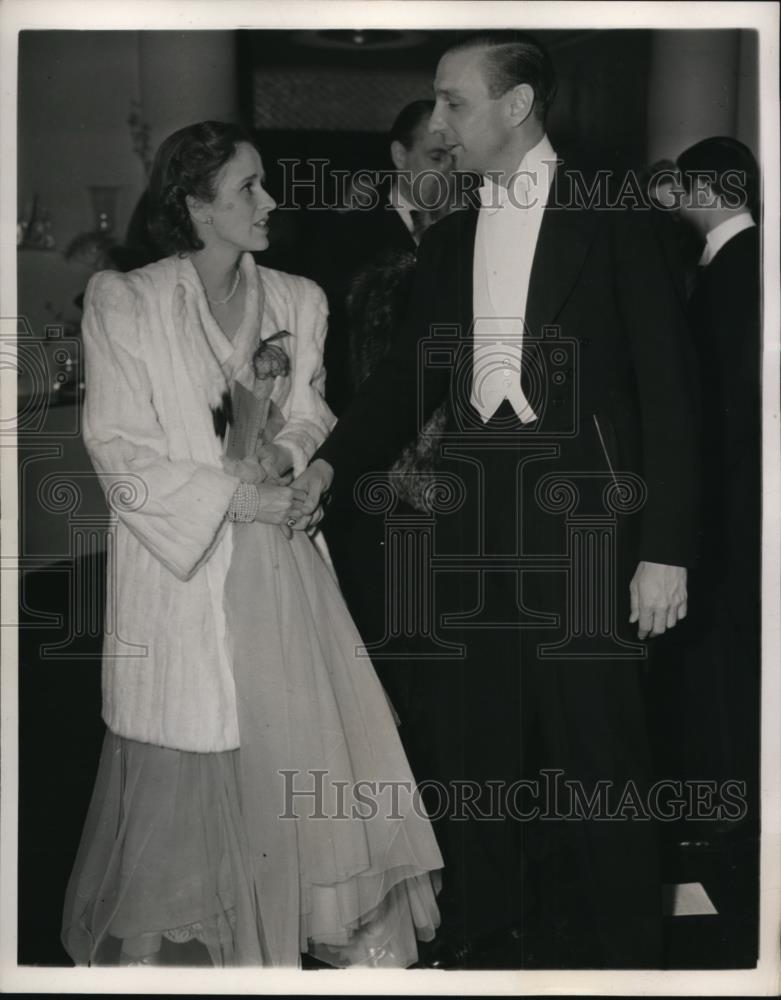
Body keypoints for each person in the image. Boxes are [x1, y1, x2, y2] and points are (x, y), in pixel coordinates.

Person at [290, 33, 700, 968]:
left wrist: (665, 548)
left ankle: (630, 964)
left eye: (454, 102)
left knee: (600, 754)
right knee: (472, 745)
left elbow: (672, 391)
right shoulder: (452, 239)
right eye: (436, 104)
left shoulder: (614, 215)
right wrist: (328, 466)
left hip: (588, 526)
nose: (438, 124)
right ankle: (481, 947)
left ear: (515, 107)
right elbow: (404, 380)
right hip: (472, 523)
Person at [61, 121, 442, 968]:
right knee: (195, 743)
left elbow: (311, 410)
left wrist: (291, 459)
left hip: (282, 570)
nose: (269, 201)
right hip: (184, 565)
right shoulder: (127, 302)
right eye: (247, 188)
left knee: (295, 748)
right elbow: (119, 451)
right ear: (196, 207)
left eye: (264, 183)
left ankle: (297, 944)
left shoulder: (298, 298)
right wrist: (239, 498)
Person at [657, 137, 760, 833]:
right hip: (743, 500)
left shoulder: (732, 271)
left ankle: (732, 811)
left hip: (730, 504)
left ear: (709, 193)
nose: (675, 201)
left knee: (726, 657)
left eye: (682, 188)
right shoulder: (745, 262)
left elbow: (724, 407)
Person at [306, 100, 454, 415]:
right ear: (400, 155)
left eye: (456, 158)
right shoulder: (345, 235)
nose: (449, 172)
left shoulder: (470, 231)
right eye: (437, 157)